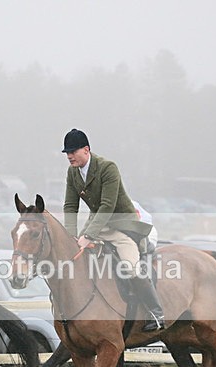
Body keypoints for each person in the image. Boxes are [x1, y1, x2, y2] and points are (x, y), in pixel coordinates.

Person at [61, 129, 164, 331]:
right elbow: (70, 206)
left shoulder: (108, 168)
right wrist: (71, 235)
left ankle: (157, 312)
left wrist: (88, 235)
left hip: (122, 226)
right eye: (67, 153)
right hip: (97, 225)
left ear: (86, 150)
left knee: (130, 267)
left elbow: (107, 206)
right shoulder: (73, 173)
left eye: (73, 151)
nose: (69, 156)